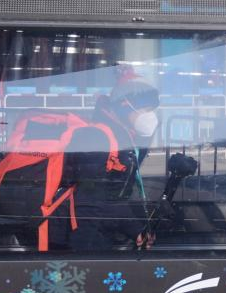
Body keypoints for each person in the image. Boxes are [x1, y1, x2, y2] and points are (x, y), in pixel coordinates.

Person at [67, 77, 162, 250]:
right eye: (146, 110)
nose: (151, 117)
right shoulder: (98, 138)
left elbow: (115, 194)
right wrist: (133, 227)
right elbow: (94, 200)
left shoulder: (123, 136)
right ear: (125, 106)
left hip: (98, 228)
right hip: (85, 237)